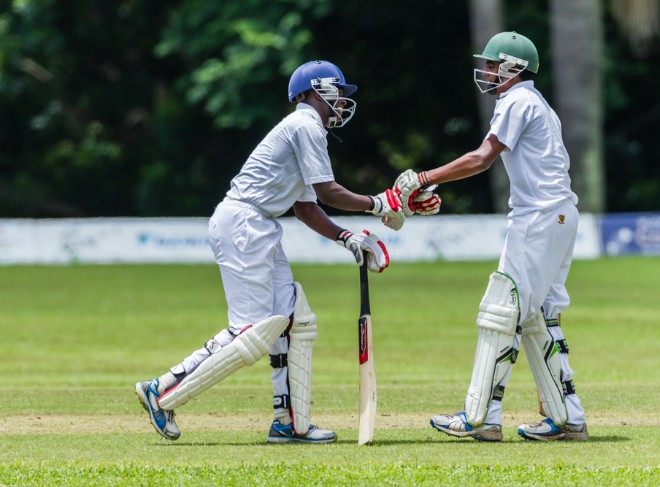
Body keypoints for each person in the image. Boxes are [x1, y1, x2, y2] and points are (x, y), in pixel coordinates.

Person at [134, 60, 419, 444]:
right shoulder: (305, 125)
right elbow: (328, 192)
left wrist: (346, 238)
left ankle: (290, 423)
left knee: (294, 320)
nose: (341, 104)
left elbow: (306, 208)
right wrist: (379, 203)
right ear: (312, 92)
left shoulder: (305, 131)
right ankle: (163, 389)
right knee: (249, 332)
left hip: (259, 225)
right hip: (244, 223)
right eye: (336, 93)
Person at [394, 32, 588, 441]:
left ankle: (478, 416)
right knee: (539, 315)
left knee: (502, 310)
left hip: (537, 219)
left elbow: (482, 159)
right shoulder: (538, 104)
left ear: (512, 69)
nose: (485, 71)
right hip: (559, 216)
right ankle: (568, 417)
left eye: (492, 65)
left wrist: (425, 177)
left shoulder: (516, 100)